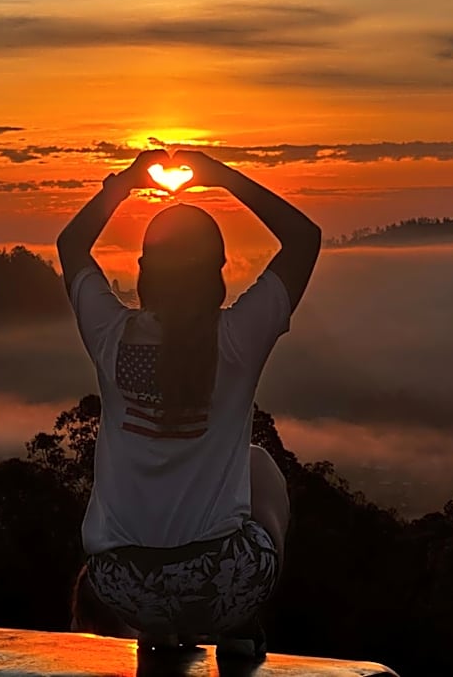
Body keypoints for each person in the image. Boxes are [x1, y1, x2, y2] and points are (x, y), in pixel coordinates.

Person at [56, 149, 320, 658]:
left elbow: (70, 244)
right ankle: (240, 627)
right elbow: (304, 237)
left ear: (142, 269)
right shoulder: (238, 338)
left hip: (119, 584)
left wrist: (126, 184)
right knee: (259, 464)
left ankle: (157, 632)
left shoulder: (109, 333)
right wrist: (220, 177)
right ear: (219, 269)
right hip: (223, 586)